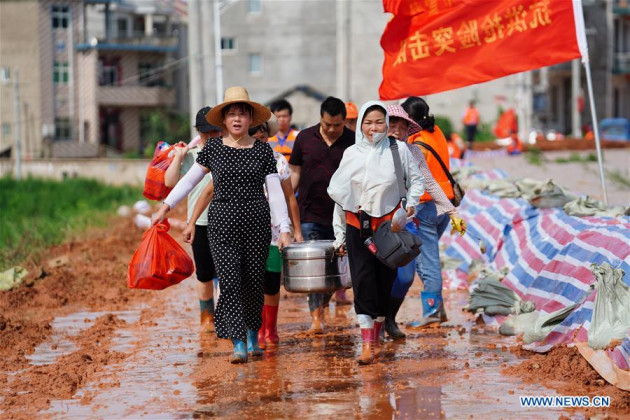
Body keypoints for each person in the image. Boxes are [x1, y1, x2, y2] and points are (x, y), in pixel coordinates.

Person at [152, 87, 291, 364]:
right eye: (232, 114)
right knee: (229, 282)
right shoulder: (213, 149)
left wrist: (284, 228)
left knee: (253, 281)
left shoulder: (263, 150)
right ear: (224, 120)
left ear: (251, 119)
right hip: (222, 224)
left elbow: (275, 192)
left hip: (257, 223)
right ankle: (237, 341)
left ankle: (253, 334)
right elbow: (190, 181)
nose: (237, 119)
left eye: (242, 114)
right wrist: (166, 206)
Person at [328, 101, 426, 365]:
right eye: (368, 122)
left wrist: (408, 207)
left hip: (388, 229)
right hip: (356, 227)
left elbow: (416, 181)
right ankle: (367, 345)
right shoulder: (351, 153)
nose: (374, 128)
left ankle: (378, 332)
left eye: (379, 122)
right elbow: (340, 196)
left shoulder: (400, 150)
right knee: (362, 282)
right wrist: (339, 235)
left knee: (384, 282)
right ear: (361, 124)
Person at [384, 104, 465, 339]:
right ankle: (375, 324)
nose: (397, 131)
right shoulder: (371, 153)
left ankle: (390, 317)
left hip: (412, 218)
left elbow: (429, 182)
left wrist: (453, 213)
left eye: (403, 127)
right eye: (393, 125)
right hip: (379, 222)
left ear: (410, 129)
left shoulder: (414, 152)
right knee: (379, 275)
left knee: (407, 275)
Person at [289, 96, 355, 332]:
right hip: (309, 214)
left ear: (344, 122)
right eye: (327, 124)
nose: (332, 129)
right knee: (315, 269)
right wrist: (286, 208)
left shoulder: (353, 142)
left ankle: (323, 307)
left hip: (342, 217)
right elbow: (294, 174)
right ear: (320, 119)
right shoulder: (304, 139)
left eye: (337, 125)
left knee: (334, 270)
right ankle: (317, 317)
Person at [163, 106, 222, 333]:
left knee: (226, 271)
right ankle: (207, 315)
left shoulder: (227, 151)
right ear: (199, 131)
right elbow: (170, 183)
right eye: (206, 132)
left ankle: (226, 316)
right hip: (198, 223)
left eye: (215, 131)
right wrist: (178, 157)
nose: (211, 136)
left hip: (223, 220)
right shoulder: (191, 156)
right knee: (204, 273)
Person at [248, 115, 303, 348]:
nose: (259, 135)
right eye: (254, 131)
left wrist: (296, 231)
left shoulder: (278, 160)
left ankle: (270, 329)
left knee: (271, 282)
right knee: (253, 282)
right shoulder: (237, 159)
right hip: (247, 230)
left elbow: (290, 198)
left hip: (274, 231)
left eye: (262, 130)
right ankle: (258, 330)